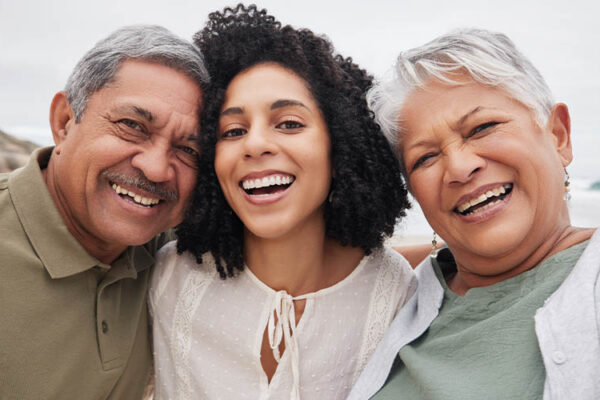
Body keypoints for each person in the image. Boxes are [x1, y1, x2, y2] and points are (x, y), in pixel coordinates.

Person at [149, 5, 416, 400]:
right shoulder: (167, 277)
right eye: (233, 130)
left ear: (338, 147)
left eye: (289, 123)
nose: (255, 144)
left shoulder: (400, 298)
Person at [347, 28, 599, 400]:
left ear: (558, 135)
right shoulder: (391, 300)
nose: (460, 168)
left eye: (482, 128)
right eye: (426, 157)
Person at [0, 25, 208, 400]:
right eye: (132, 126)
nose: (157, 168)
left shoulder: (169, 254)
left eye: (188, 151)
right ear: (64, 121)